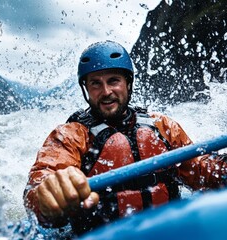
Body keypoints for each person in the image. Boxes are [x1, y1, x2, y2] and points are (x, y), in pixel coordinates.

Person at [23, 40, 227, 236]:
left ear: (128, 83)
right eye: (95, 84)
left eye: (113, 81)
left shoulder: (163, 126)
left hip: (168, 231)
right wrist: (48, 196)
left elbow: (202, 172)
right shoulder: (71, 135)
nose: (106, 92)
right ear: (86, 90)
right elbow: (41, 182)